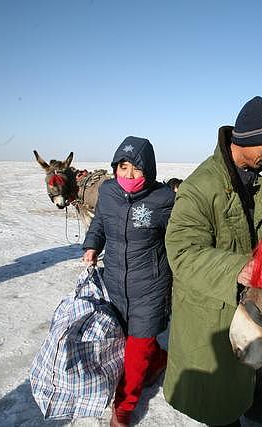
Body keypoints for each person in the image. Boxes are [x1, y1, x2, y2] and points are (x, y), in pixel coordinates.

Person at [162, 96, 262, 426]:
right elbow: (182, 251)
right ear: (246, 139)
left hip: (250, 302)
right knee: (221, 396)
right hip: (212, 307)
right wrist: (238, 269)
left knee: (257, 363)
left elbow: (252, 222)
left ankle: (261, 409)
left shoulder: (248, 174)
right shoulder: (200, 187)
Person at [82, 136, 175, 427]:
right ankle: (159, 360)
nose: (129, 175)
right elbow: (99, 222)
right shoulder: (108, 192)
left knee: (136, 349)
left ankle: (124, 406)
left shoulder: (164, 199)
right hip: (114, 282)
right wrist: (92, 244)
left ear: (149, 169)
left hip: (151, 285)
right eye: (123, 167)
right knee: (127, 340)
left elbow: (180, 238)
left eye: (136, 168)